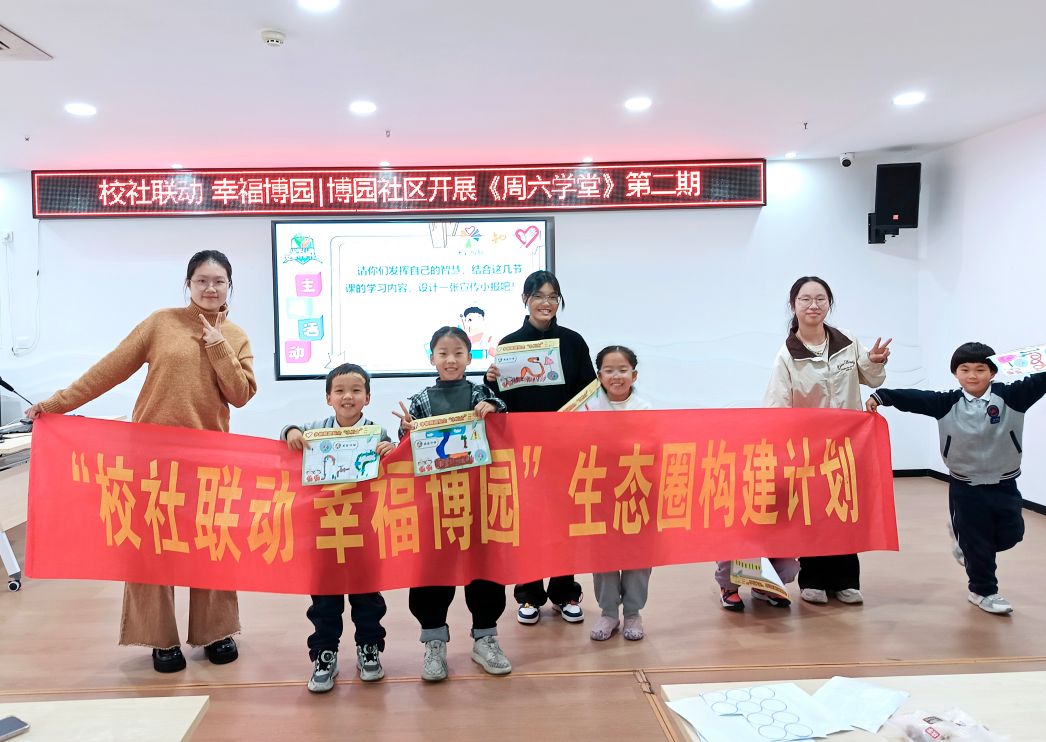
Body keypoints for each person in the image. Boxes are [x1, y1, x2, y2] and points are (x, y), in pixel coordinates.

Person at [26, 250, 256, 673]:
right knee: (152, 550)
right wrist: (56, 404)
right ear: (188, 284)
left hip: (208, 461)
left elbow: (240, 395)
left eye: (218, 281)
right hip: (150, 459)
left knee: (211, 548)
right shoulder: (160, 324)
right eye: (201, 280)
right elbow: (108, 370)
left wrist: (218, 345)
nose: (210, 288)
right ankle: (159, 638)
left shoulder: (236, 336)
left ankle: (216, 632)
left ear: (230, 286)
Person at [867, 342, 1046, 615]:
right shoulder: (947, 403)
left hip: (1005, 483)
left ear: (992, 372)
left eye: (980, 369)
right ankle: (983, 591)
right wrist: (882, 396)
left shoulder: (1012, 397)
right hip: (966, 487)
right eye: (965, 369)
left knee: (1012, 534)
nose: (972, 375)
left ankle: (964, 541)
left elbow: (1040, 380)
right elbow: (915, 398)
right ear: (955, 373)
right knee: (978, 543)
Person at [393, 326, 512, 682]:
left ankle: (485, 638)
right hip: (436, 503)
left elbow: (503, 418)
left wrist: (493, 407)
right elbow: (407, 449)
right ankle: (434, 643)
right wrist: (407, 430)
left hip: (478, 500)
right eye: (443, 353)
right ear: (431, 358)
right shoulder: (420, 401)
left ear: (469, 357)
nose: (450, 360)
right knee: (432, 571)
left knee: (484, 569)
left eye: (458, 353)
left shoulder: (480, 393)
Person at [763, 275, 890, 606]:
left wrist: (875, 362)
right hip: (810, 448)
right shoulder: (787, 355)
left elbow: (870, 377)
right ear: (793, 306)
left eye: (820, 299)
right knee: (816, 512)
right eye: (805, 299)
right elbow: (777, 406)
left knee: (846, 509)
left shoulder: (847, 341)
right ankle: (814, 580)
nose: (813, 305)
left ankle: (846, 581)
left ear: (829, 304)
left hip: (848, 445)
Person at [485, 270, 597, 625]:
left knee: (565, 521)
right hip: (524, 450)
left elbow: (589, 389)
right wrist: (490, 381)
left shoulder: (573, 342)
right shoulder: (510, 345)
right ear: (525, 299)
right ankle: (529, 594)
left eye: (552, 296)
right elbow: (498, 403)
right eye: (539, 296)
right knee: (528, 523)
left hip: (565, 447)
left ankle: (564, 592)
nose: (546, 303)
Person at [281, 363, 395, 693]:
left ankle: (369, 648)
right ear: (328, 398)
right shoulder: (315, 430)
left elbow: (392, 461)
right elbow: (288, 431)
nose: (348, 396)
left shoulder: (377, 433)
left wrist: (390, 450)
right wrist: (291, 432)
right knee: (324, 600)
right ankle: (324, 654)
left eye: (356, 390)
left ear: (367, 398)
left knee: (368, 597)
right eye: (340, 391)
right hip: (326, 532)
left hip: (364, 533)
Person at [582, 346, 656, 642]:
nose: (616, 376)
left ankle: (634, 613)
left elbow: (653, 449)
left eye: (623, 370)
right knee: (604, 555)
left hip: (635, 491)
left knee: (637, 555)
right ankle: (609, 613)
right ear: (599, 375)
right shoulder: (587, 409)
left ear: (634, 375)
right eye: (609, 370)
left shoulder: (645, 409)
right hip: (600, 492)